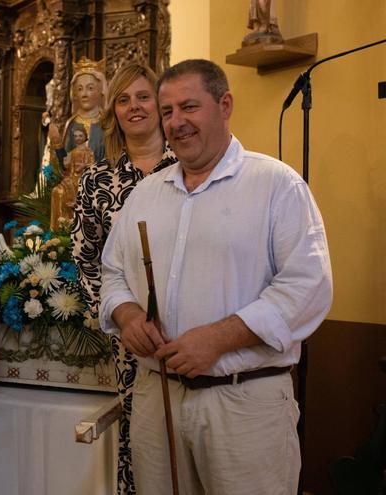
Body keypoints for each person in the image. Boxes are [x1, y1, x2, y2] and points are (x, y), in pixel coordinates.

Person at [99, 59, 332, 494]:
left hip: (242, 402)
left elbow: (308, 286)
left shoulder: (276, 185)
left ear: (225, 105)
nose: (176, 122)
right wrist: (128, 316)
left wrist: (218, 339)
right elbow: (112, 271)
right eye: (168, 112)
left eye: (189, 107)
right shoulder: (147, 193)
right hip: (158, 397)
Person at [70, 62, 177, 495]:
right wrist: (121, 317)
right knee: (143, 437)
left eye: (143, 96)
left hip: (192, 325)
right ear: (113, 111)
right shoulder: (98, 180)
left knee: (193, 436)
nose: (134, 107)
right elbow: (86, 255)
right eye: (123, 100)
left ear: (161, 103)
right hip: (131, 337)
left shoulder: (187, 168)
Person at [48, 57, 108, 168]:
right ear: (74, 93)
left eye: (90, 88)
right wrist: (56, 141)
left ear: (101, 90)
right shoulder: (72, 123)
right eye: (80, 89)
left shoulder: (107, 122)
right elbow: (63, 165)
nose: (84, 94)